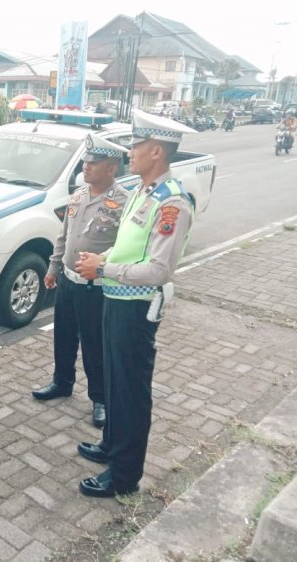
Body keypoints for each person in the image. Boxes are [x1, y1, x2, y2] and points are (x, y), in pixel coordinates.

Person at [74, 110, 197, 498]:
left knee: (130, 391)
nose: (130, 152)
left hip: (136, 307)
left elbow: (159, 269)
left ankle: (124, 475)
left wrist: (105, 266)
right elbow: (128, 243)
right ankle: (112, 445)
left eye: (136, 145)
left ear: (156, 151)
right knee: (113, 380)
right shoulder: (142, 191)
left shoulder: (172, 203)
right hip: (115, 299)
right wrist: (101, 261)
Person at [32, 133, 129, 429]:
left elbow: (125, 247)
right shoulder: (78, 196)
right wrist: (52, 268)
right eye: (85, 162)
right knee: (63, 336)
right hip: (68, 280)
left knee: (94, 344)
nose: (86, 167)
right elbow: (64, 237)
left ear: (111, 167)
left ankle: (99, 398)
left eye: (94, 162)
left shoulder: (123, 202)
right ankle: (62, 382)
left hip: (95, 287)